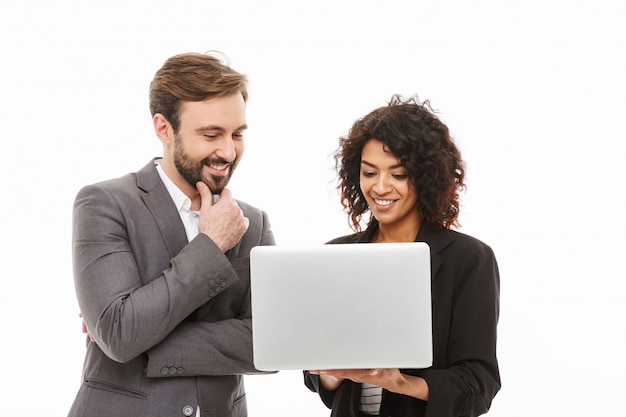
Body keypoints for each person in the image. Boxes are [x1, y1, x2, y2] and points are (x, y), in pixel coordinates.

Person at [68, 52, 275, 417]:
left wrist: (149, 340)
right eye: (211, 134)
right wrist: (211, 246)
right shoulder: (104, 203)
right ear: (164, 128)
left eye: (237, 134)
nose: (228, 151)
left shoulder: (252, 222)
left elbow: (275, 341)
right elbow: (120, 334)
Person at [304, 95, 501, 417]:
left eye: (398, 174)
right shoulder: (336, 255)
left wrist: (400, 382)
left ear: (425, 177)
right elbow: (320, 384)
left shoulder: (468, 259)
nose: (381, 187)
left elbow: (478, 385)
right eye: (369, 173)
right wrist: (330, 371)